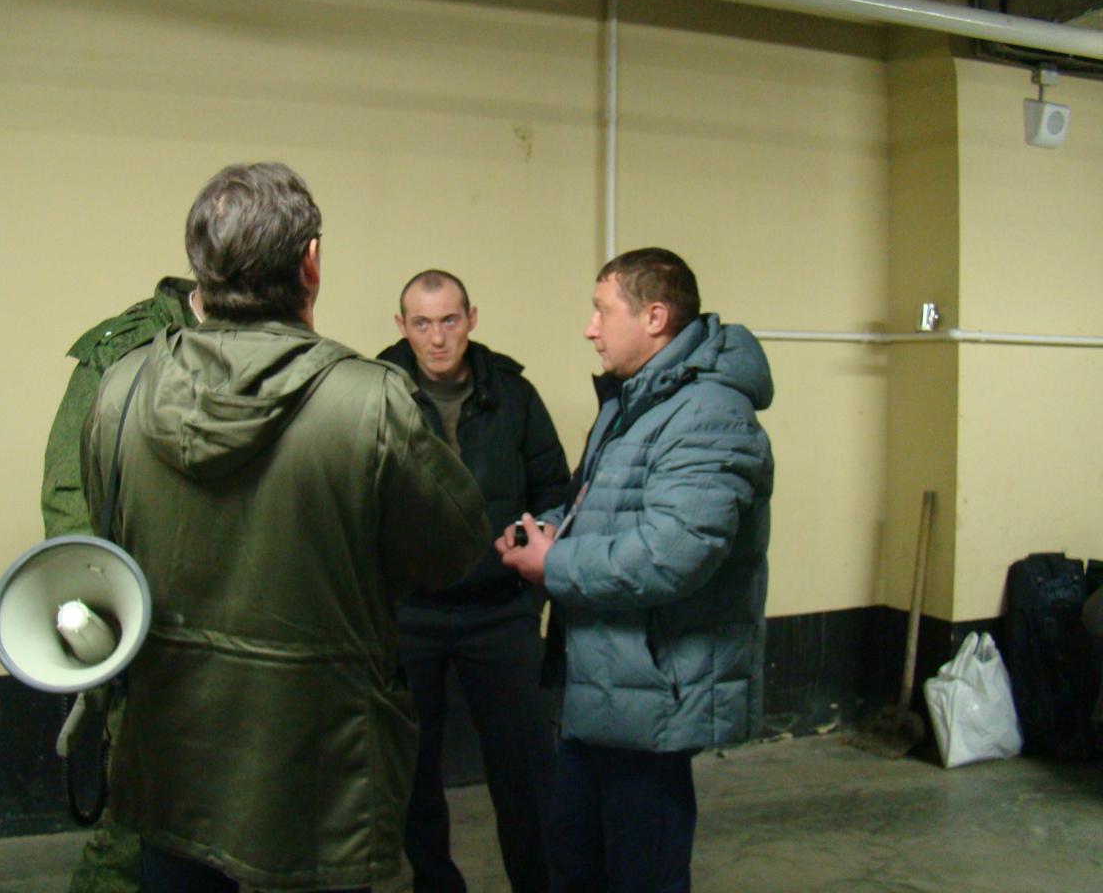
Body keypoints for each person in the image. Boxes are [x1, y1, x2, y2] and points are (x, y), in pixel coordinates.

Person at [81, 163, 492, 892]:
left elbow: (109, 540)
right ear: (310, 263)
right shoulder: (371, 402)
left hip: (171, 755)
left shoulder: (123, 390)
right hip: (319, 773)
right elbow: (454, 548)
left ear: (200, 266)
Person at [496, 247, 774, 893]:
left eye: (602, 311)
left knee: (641, 874)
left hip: (650, 697)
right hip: (600, 684)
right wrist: (548, 530)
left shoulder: (709, 414)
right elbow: (601, 506)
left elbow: (672, 553)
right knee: (577, 864)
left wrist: (554, 563)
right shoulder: (637, 402)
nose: (589, 328)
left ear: (654, 317)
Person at [377, 271, 570, 893]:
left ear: (472, 319)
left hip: (501, 610)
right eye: (422, 323)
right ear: (402, 326)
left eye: (449, 320)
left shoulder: (513, 395)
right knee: (410, 771)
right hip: (409, 613)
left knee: (527, 771)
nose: (437, 338)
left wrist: (535, 553)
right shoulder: (374, 394)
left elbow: (554, 488)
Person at [42, 275, 199, 893]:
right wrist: (98, 604)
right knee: (138, 820)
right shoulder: (124, 349)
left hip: (242, 613)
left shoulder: (271, 341)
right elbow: (70, 492)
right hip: (148, 615)